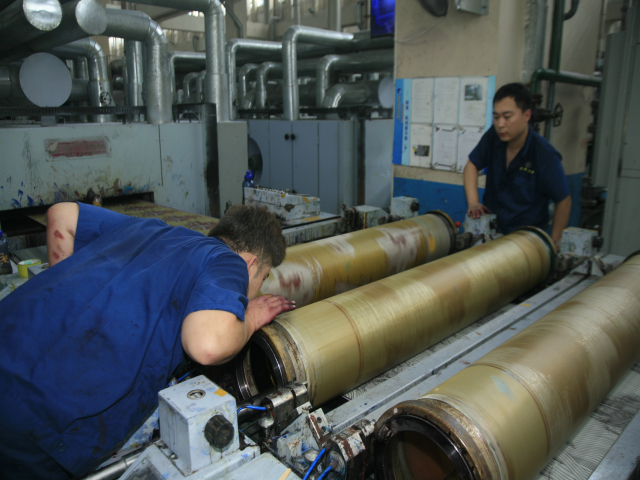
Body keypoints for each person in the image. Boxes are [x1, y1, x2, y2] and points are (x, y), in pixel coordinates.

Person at [0, 202, 295, 479]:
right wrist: (251, 318)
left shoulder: (148, 228)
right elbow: (208, 346)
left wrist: (71, 309)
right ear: (250, 263)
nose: (256, 290)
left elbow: (62, 215)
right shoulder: (227, 260)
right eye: (263, 277)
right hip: (39, 417)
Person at [463, 83, 572, 247]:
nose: (500, 124)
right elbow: (471, 165)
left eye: (507, 117)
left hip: (525, 243)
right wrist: (473, 203)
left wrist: (554, 243)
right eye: (496, 117)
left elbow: (564, 200)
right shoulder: (494, 137)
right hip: (491, 236)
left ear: (526, 115)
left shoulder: (544, 155)